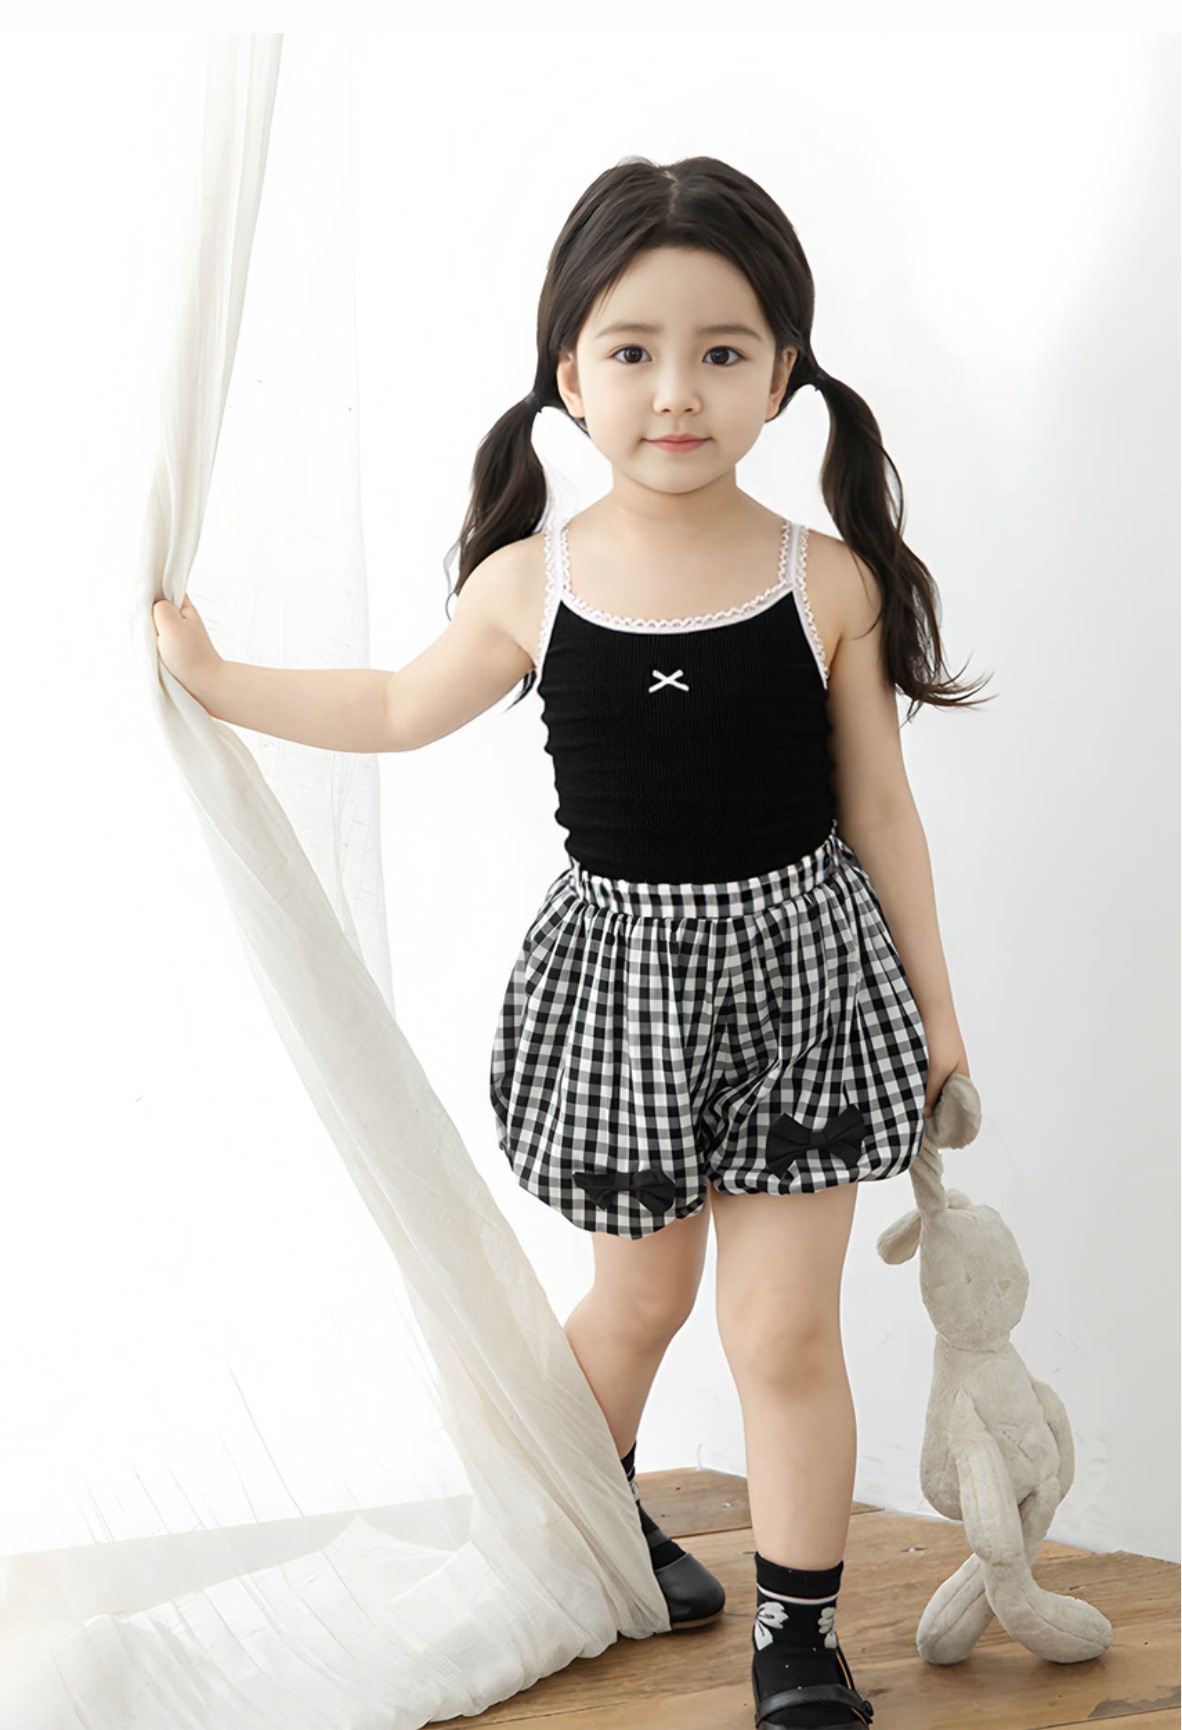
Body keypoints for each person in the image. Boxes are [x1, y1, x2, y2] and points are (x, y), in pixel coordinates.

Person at [153, 154, 989, 1730]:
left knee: (779, 1328)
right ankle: (585, 1532)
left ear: (781, 377)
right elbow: (393, 706)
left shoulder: (824, 580)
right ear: (567, 375)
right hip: (620, 1001)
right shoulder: (530, 581)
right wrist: (219, 679)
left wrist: (936, 1009)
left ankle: (797, 1632)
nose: (675, 390)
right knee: (635, 1303)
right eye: (632, 349)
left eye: (721, 351)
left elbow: (880, 807)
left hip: (807, 990)